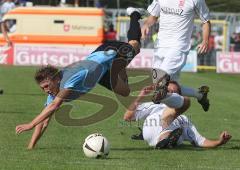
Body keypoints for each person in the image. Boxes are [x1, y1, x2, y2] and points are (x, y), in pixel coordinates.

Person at [15, 8, 144, 149]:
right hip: (101, 68)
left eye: (46, 86)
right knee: (124, 92)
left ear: (56, 78)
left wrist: (30, 124)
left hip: (112, 53)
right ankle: (121, 72)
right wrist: (30, 146)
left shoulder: (69, 80)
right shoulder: (54, 91)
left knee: (135, 45)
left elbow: (54, 106)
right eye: (43, 88)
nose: (46, 90)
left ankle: (134, 14)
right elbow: (44, 120)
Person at [141, 0, 211, 112]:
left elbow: (206, 21)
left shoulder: (196, 1)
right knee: (167, 86)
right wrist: (145, 25)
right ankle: (199, 95)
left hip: (179, 47)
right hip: (160, 46)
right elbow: (153, 16)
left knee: (160, 84)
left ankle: (157, 118)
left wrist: (205, 40)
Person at [124, 81, 231, 149]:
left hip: (156, 138)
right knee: (186, 102)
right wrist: (141, 95)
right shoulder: (152, 106)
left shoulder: (184, 119)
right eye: (168, 90)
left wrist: (219, 142)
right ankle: (167, 139)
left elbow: (200, 141)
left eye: (172, 92)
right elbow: (127, 117)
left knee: (176, 122)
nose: (170, 92)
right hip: (151, 127)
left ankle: (165, 140)